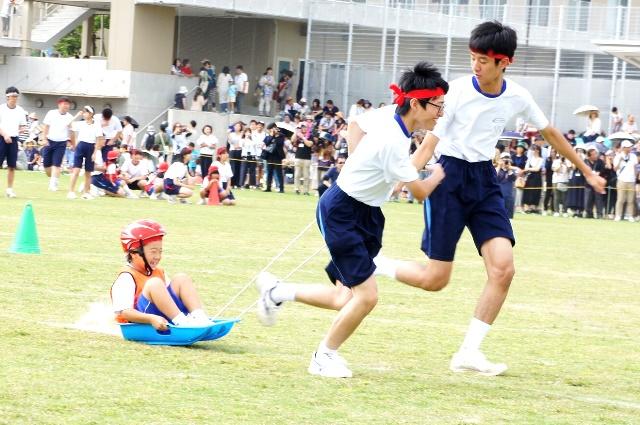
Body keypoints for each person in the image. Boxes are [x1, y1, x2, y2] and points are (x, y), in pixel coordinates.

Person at [368, 22, 606, 376]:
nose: (475, 65)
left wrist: (586, 171)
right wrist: (400, 178)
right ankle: (373, 264)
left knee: (504, 269)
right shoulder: (457, 92)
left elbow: (551, 133)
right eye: (472, 58)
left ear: (504, 62)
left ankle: (469, 352)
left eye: (483, 60)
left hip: (484, 181)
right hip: (448, 179)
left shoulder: (518, 96)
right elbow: (430, 144)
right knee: (435, 280)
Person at [255, 62, 448, 378]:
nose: (440, 114)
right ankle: (323, 357)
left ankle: (276, 293)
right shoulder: (392, 142)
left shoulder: (390, 115)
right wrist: (440, 173)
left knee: (344, 297)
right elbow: (420, 192)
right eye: (438, 106)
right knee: (367, 297)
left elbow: (355, 124)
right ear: (416, 104)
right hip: (342, 212)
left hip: (367, 213)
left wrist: (361, 162)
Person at [111, 219, 212, 329]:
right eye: (153, 252)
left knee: (181, 278)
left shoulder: (158, 272)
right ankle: (182, 323)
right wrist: (152, 319)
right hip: (142, 323)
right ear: (134, 253)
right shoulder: (126, 277)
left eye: (160, 251)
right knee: (154, 284)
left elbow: (168, 299)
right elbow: (125, 313)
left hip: (166, 316)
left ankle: (200, 318)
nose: (158, 257)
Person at [67, 105, 104, 200]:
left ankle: (86, 193)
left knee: (88, 172)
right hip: (81, 146)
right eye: (83, 112)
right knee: (76, 170)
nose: (84, 114)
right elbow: (68, 124)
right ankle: (71, 192)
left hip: (91, 147)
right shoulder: (81, 123)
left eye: (86, 112)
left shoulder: (97, 125)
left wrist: (95, 153)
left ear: (91, 114)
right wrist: (77, 115)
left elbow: (98, 139)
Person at [42, 96, 74, 191]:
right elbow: (46, 127)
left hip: (61, 143)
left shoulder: (70, 117)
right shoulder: (51, 113)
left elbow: (71, 132)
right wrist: (44, 139)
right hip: (49, 141)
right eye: (65, 104)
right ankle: (54, 178)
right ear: (59, 104)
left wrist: (73, 143)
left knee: (56, 164)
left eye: (68, 104)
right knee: (47, 166)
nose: (66, 106)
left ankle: (53, 184)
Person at [0, 86, 27, 198]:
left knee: (12, 166)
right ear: (7, 97)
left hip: (14, 139)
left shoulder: (20, 110)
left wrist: (21, 129)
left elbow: (23, 126)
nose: (15, 98)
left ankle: (9, 189)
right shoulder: (1, 108)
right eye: (13, 96)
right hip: (1, 138)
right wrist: (5, 134)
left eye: (16, 96)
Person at [613, 140, 637, 221]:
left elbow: (635, 167)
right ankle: (618, 215)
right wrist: (620, 160)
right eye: (628, 147)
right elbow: (615, 168)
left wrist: (635, 177)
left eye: (630, 147)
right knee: (620, 199)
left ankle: (630, 216)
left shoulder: (633, 156)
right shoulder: (618, 156)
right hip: (621, 180)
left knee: (631, 200)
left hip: (631, 180)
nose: (630, 148)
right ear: (623, 148)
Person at [262, 123, 286, 193]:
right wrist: (272, 136)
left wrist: (276, 136)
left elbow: (280, 144)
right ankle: (268, 187)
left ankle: (281, 188)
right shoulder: (268, 136)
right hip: (269, 156)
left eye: (271, 129)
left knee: (279, 173)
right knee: (269, 172)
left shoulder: (281, 135)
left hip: (278, 156)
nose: (270, 130)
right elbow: (267, 143)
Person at [583, 146, 605, 218]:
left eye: (596, 153)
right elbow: (583, 171)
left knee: (598, 199)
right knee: (588, 199)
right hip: (588, 184)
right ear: (589, 156)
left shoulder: (600, 162)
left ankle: (599, 214)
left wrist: (598, 173)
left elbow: (602, 170)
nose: (596, 155)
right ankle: (588, 213)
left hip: (597, 184)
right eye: (594, 154)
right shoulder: (585, 162)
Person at [522, 144, 543, 213]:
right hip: (530, 177)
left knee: (535, 192)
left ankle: (533, 207)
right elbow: (526, 168)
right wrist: (530, 169)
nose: (533, 151)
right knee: (527, 191)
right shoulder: (530, 159)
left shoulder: (540, 159)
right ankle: (526, 207)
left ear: (538, 150)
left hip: (537, 177)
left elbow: (537, 169)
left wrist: (529, 168)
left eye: (534, 149)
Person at [293, 123, 314, 195]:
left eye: (305, 127)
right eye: (302, 127)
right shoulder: (298, 135)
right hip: (298, 157)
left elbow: (309, 144)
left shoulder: (310, 136)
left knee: (306, 176)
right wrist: (296, 132)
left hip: (307, 158)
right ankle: (296, 189)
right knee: (297, 175)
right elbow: (293, 140)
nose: (304, 128)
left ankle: (306, 191)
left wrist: (303, 137)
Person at [495, 152, 517, 218]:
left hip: (508, 194)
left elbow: (513, 178)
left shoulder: (512, 170)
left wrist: (509, 168)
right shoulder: (497, 169)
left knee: (508, 215)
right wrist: (499, 166)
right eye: (504, 160)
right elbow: (494, 177)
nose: (505, 162)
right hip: (498, 193)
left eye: (507, 160)